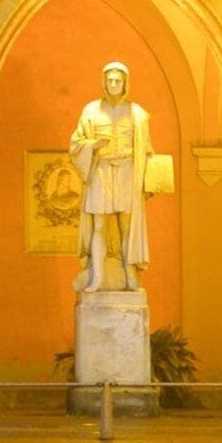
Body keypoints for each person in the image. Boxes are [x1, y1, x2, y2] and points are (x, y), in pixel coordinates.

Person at [69, 62, 153, 294]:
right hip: (101, 170)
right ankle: (97, 277)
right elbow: (75, 144)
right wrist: (93, 145)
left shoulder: (137, 113)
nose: (114, 84)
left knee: (127, 225)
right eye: (110, 80)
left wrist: (149, 179)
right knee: (99, 225)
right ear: (103, 83)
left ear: (126, 83)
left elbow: (146, 149)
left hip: (126, 170)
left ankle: (130, 276)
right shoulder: (91, 111)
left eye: (118, 80)